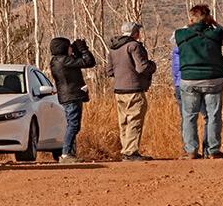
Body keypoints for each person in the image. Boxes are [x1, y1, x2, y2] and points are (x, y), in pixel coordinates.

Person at [172, 5, 223, 160]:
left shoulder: (180, 33)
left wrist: (191, 24)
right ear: (208, 18)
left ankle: (191, 151)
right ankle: (212, 150)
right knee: (213, 115)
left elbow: (173, 41)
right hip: (213, 78)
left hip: (189, 79)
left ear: (191, 18)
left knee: (189, 116)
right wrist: (214, 23)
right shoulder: (216, 33)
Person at [106, 22, 156, 162]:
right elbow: (141, 68)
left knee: (124, 121)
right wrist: (152, 65)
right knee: (135, 120)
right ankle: (131, 151)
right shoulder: (134, 46)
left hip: (119, 90)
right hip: (134, 89)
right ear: (135, 33)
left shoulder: (113, 48)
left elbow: (109, 71)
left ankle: (126, 149)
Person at [49, 37, 97, 163]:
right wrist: (83, 49)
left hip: (68, 96)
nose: (71, 48)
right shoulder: (64, 60)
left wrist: (75, 52)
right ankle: (66, 154)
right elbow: (89, 62)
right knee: (73, 125)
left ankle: (69, 153)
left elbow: (77, 63)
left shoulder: (56, 60)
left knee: (73, 125)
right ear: (64, 48)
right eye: (69, 46)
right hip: (71, 96)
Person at [172, 45, 207, 154]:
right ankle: (209, 149)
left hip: (179, 84)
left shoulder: (176, 50)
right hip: (196, 82)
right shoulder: (198, 47)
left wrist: (176, 84)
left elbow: (175, 70)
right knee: (208, 115)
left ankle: (189, 150)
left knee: (186, 117)